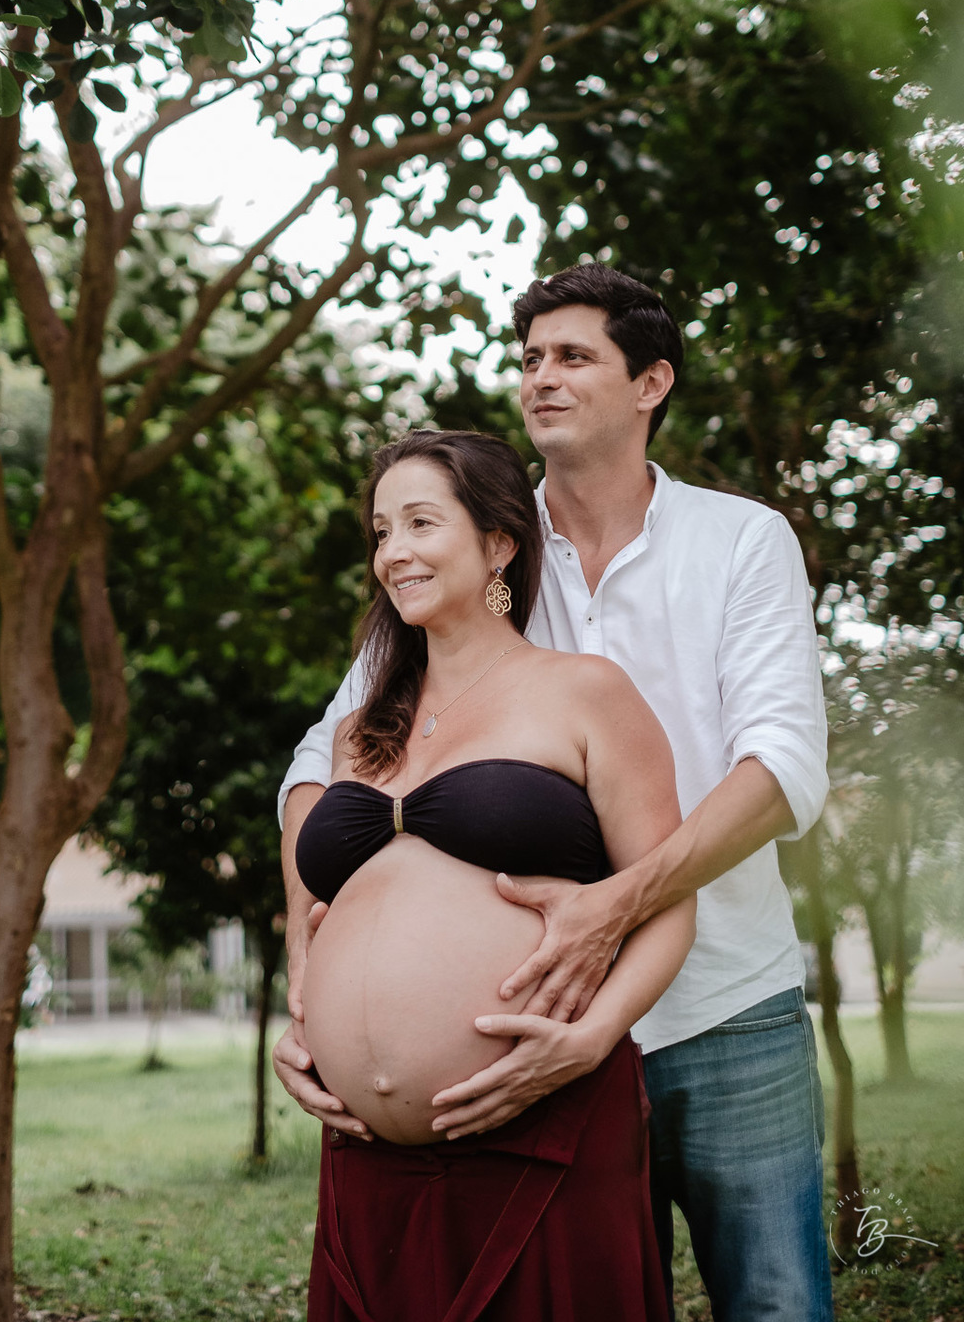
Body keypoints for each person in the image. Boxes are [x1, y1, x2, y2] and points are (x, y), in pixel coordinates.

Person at [276, 264, 833, 1322]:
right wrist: (314, 951)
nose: (541, 378)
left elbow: (782, 768)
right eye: (529, 358)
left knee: (774, 1303)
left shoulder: (740, 541)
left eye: (573, 356)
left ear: (651, 382)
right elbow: (325, 762)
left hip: (722, 1008)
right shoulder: (477, 546)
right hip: (530, 1041)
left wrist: (615, 907)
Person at [290, 427, 694, 1322]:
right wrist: (304, 1010)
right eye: (381, 532)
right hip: (366, 1158)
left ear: (500, 542)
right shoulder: (360, 731)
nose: (394, 552)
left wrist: (591, 1043)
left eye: (421, 524)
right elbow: (320, 904)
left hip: (543, 1126)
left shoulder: (586, 691)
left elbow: (667, 903)